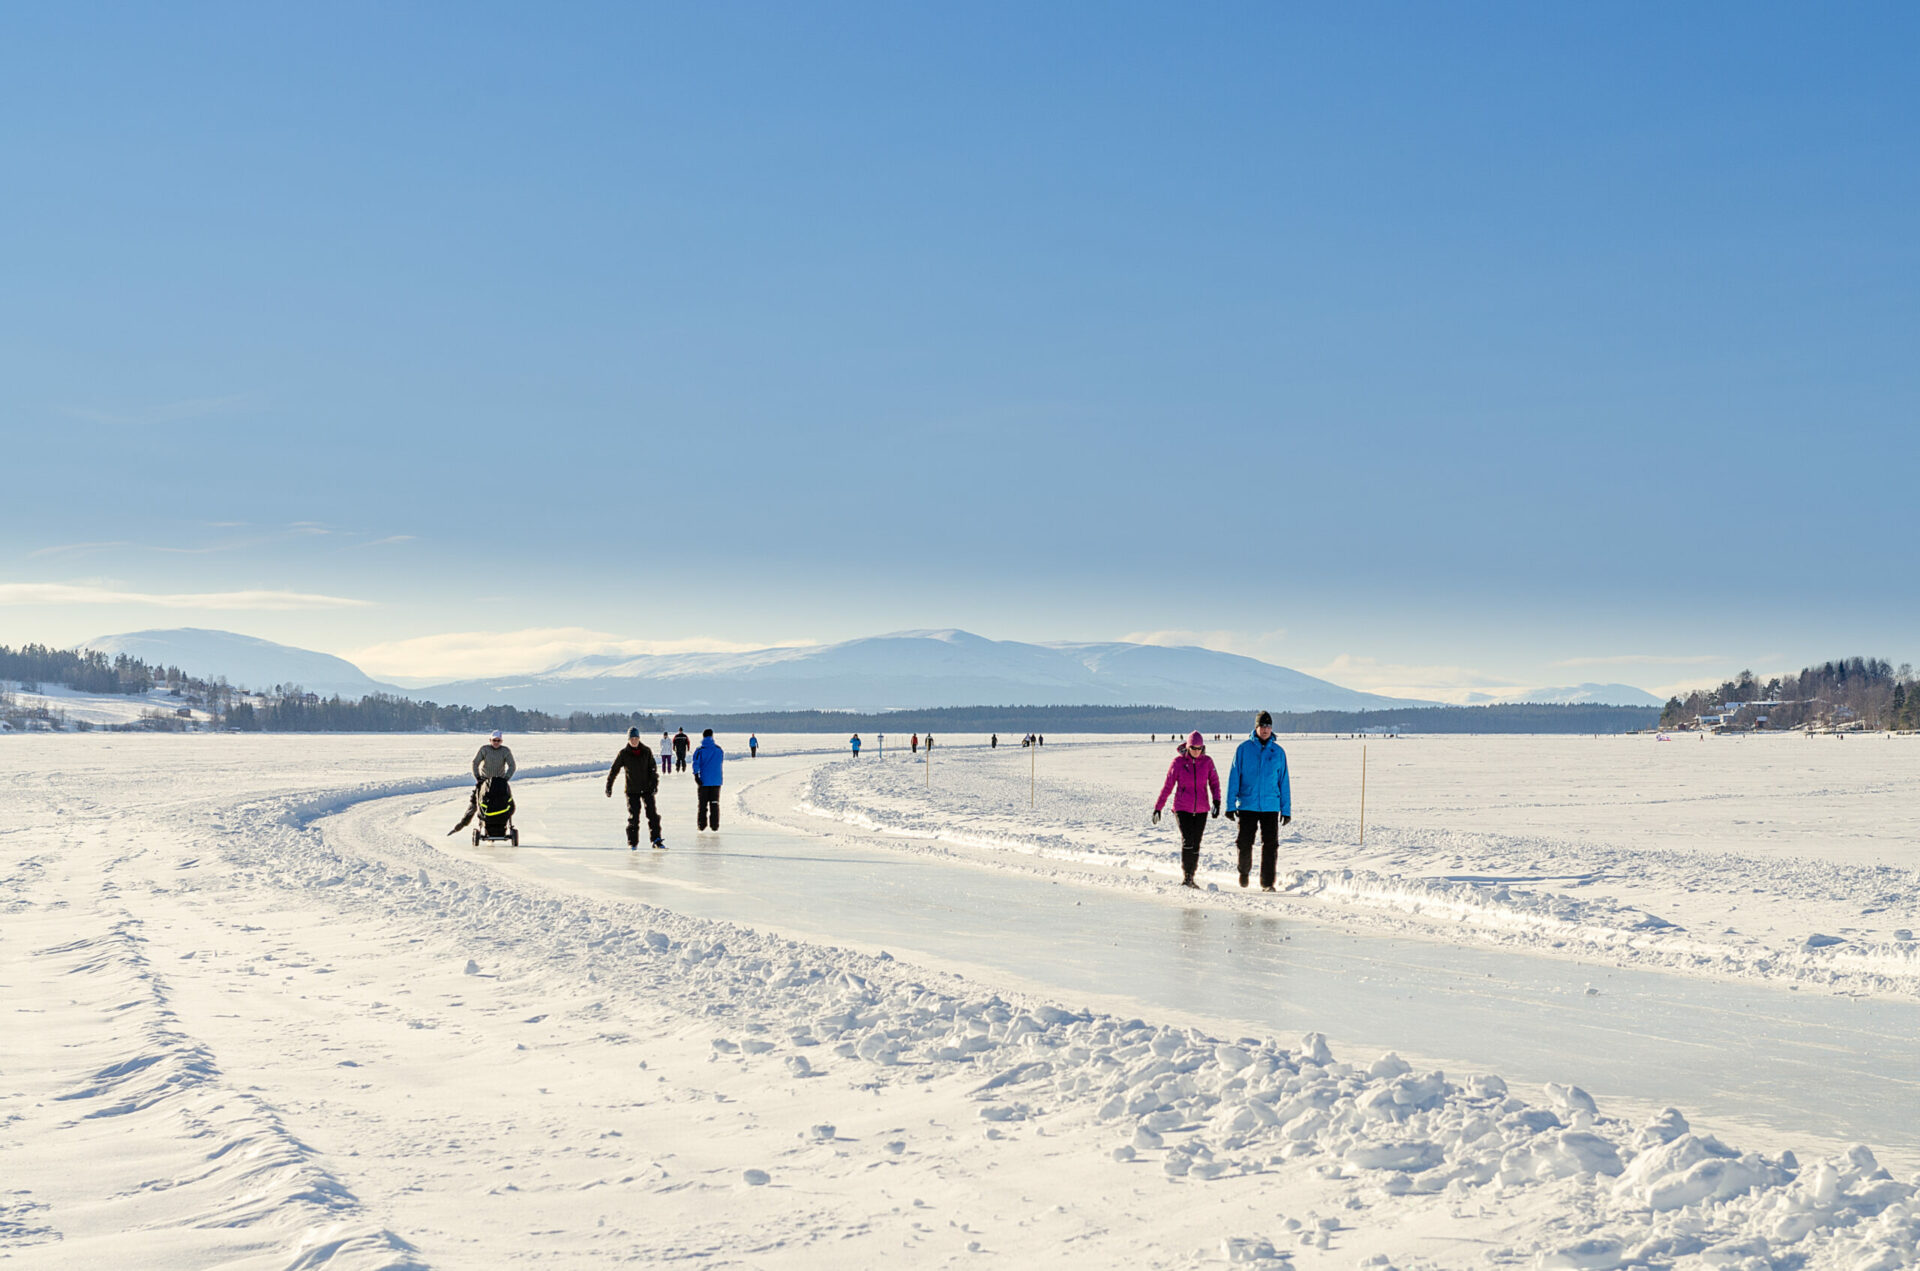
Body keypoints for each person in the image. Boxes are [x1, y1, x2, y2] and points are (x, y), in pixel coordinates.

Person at [1224, 711, 1292, 891]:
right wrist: (1230, 805)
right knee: (1245, 842)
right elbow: (1234, 778)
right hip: (1247, 805)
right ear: (1256, 727)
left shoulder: (1278, 752)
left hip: (1270, 806)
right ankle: (1244, 871)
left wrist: (1286, 810)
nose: (1265, 729)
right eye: (1262, 726)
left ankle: (1267, 883)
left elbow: (1283, 782)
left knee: (1271, 845)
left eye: (1268, 726)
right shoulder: (1244, 749)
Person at [1153, 732, 1221, 887]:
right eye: (1193, 748)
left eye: (1199, 748)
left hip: (1202, 808)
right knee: (1188, 840)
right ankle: (1187, 877)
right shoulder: (1178, 763)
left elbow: (1214, 783)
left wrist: (1217, 801)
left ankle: (1192, 876)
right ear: (1188, 747)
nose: (1196, 751)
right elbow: (1168, 786)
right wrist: (1158, 807)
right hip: (1182, 807)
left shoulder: (1208, 762)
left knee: (1196, 842)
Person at [450, 729, 517, 835]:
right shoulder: (484, 749)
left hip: (500, 782)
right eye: (494, 740)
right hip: (484, 781)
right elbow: (475, 763)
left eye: (498, 740)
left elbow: (512, 766)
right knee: (474, 804)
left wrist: (506, 778)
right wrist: (478, 777)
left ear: (501, 741)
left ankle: (502, 824)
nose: (496, 743)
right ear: (490, 740)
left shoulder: (505, 751)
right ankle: (461, 825)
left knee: (508, 803)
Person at [605, 727, 663, 850]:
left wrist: (654, 785)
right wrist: (609, 785)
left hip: (647, 788)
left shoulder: (646, 751)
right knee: (634, 817)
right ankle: (633, 842)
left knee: (652, 815)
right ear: (629, 739)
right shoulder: (623, 753)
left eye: (636, 738)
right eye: (632, 738)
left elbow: (653, 769)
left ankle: (656, 839)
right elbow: (614, 770)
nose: (634, 741)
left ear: (639, 738)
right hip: (632, 790)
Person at [691, 728, 725, 830]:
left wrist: (696, 776)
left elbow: (696, 764)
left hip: (704, 781)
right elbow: (720, 762)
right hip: (716, 781)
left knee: (703, 804)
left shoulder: (700, 750)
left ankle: (702, 825)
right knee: (714, 803)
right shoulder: (719, 750)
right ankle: (714, 825)